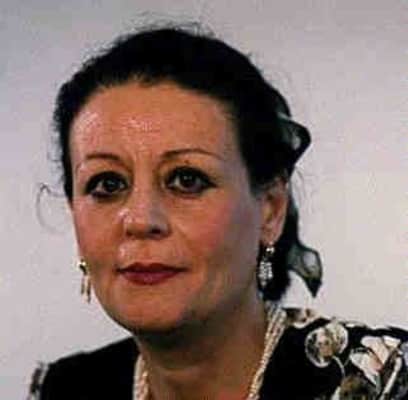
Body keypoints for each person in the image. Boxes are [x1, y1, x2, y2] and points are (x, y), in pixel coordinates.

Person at [28, 24, 408, 400]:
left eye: (186, 179)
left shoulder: (382, 379)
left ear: (270, 209)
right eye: (108, 184)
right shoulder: (63, 389)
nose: (141, 219)